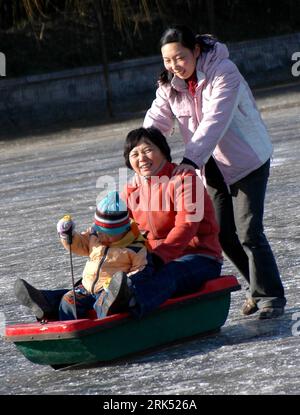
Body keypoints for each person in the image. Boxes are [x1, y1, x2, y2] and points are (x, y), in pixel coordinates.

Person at [142, 25, 286, 319]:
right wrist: (142, 152)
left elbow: (214, 121)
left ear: (195, 50)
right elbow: (156, 121)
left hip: (247, 161)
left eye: (179, 57)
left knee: (249, 231)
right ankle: (256, 287)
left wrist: (191, 161)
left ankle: (271, 296)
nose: (174, 66)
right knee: (222, 233)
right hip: (212, 166)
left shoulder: (224, 72)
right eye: (168, 61)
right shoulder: (171, 85)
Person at [100, 126, 223, 318]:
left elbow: (187, 226)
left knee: (168, 274)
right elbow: (119, 231)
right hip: (151, 260)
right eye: (135, 154)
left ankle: (128, 308)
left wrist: (157, 257)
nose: (142, 158)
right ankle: (62, 302)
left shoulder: (185, 180)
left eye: (148, 150)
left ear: (163, 152)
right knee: (108, 274)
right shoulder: (131, 191)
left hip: (199, 257)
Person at [14, 191, 149, 320]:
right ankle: (66, 327)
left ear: (123, 230)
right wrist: (67, 235)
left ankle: (102, 329)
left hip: (108, 290)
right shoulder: (94, 236)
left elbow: (141, 270)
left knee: (105, 305)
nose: (101, 235)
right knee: (68, 301)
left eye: (107, 233)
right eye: (99, 230)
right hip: (86, 287)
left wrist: (121, 282)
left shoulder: (134, 247)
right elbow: (79, 245)